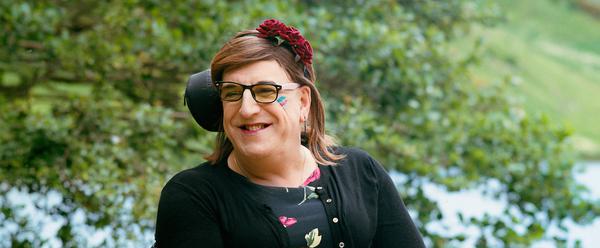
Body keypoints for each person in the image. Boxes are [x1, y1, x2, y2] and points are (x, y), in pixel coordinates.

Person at [154, 19, 425, 248]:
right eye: (232, 94)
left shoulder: (360, 172)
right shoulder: (193, 196)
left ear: (303, 102)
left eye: (265, 91)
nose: (246, 109)